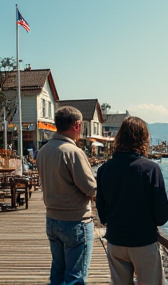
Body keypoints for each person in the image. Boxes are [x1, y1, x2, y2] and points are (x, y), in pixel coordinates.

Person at [96, 116, 168, 285]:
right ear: (144, 139)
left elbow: (101, 208)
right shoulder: (151, 169)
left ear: (120, 137)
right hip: (143, 241)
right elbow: (162, 212)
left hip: (116, 240)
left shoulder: (104, 169)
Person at [36, 106, 97, 285]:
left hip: (52, 218)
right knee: (75, 277)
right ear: (77, 125)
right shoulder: (73, 152)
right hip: (75, 221)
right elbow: (90, 188)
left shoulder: (44, 151)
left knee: (57, 272)